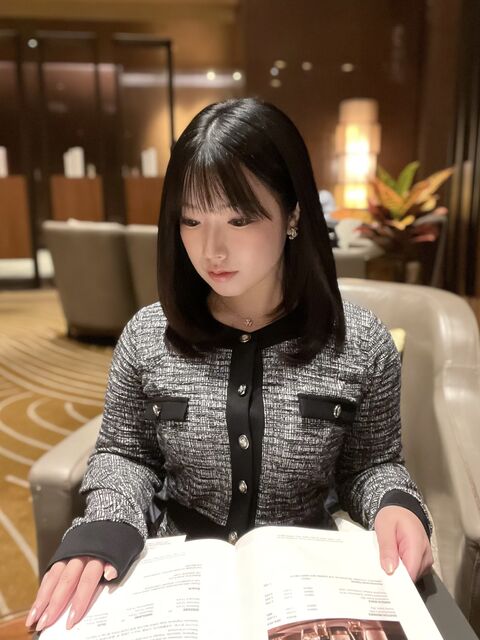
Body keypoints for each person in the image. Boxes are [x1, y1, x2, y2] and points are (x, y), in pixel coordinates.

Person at [26, 97, 433, 633]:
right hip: (180, 574)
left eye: (239, 219)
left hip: (304, 577)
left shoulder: (360, 342)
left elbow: (371, 464)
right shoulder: (147, 336)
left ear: (293, 214)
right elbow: (126, 454)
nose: (211, 249)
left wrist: (395, 503)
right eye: (191, 220)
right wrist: (107, 521)